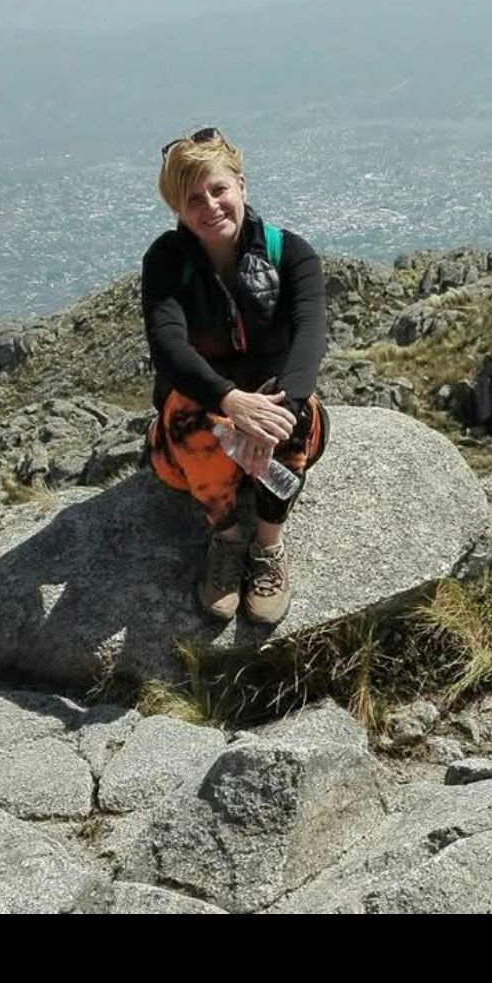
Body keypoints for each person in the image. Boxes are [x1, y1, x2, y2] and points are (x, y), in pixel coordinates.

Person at [141, 127, 328, 632]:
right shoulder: (167, 261)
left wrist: (275, 411)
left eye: (218, 189)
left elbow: (310, 338)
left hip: (274, 418)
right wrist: (229, 401)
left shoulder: (291, 254)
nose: (210, 206)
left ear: (241, 186)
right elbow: (168, 347)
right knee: (189, 412)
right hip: (202, 423)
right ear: (177, 209)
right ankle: (226, 538)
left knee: (290, 411)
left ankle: (267, 545)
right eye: (192, 199)